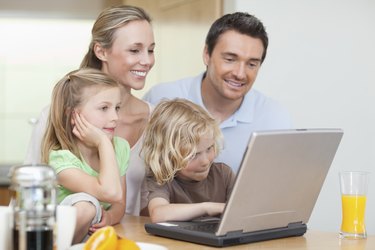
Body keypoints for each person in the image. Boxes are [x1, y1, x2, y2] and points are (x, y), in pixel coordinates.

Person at [24, 5, 155, 215]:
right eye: (134, 50)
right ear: (101, 51)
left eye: (151, 50)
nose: (147, 60)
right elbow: (29, 192)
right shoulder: (55, 115)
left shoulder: (156, 119)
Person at [143, 12, 292, 173]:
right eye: (230, 59)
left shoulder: (275, 118)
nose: (240, 74)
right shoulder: (161, 98)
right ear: (207, 55)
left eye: (251, 64)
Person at [41, 68, 129, 243]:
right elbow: (110, 192)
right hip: (54, 235)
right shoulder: (60, 159)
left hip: (90, 234)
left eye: (117, 108)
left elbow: (119, 201)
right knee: (87, 204)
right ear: (72, 114)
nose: (115, 117)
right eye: (104, 108)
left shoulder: (120, 147)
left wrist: (111, 217)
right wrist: (103, 143)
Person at [141, 98, 236, 223]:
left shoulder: (223, 174)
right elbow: (158, 214)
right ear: (168, 155)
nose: (205, 161)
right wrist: (207, 207)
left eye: (209, 148)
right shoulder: (161, 180)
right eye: (193, 155)